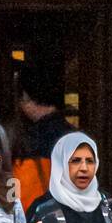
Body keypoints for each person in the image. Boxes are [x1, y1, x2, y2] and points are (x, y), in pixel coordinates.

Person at [11, 67, 74, 209]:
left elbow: (13, 195)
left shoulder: (24, 143)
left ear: (26, 97)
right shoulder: (77, 138)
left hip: (33, 222)